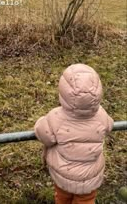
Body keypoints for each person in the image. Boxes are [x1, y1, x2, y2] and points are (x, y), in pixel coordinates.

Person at [34, 63, 113, 204]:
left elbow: (43, 135)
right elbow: (109, 125)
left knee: (62, 198)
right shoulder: (101, 115)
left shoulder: (55, 117)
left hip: (64, 175)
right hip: (90, 177)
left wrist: (40, 121)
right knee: (86, 200)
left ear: (64, 93)